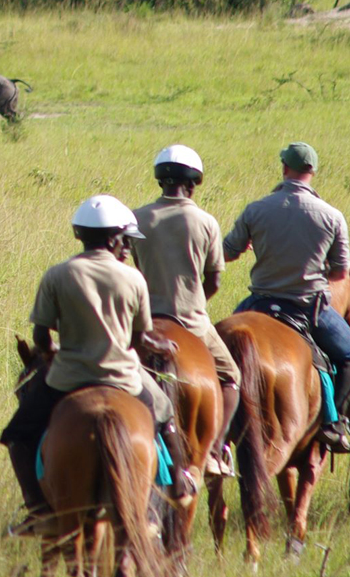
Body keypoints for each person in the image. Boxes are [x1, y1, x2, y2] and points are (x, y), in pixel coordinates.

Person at [0, 194, 196, 536]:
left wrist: (56, 351)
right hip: (125, 377)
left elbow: (42, 337)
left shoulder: (57, 274)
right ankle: (176, 484)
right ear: (115, 237)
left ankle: (37, 511)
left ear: (81, 235)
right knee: (164, 417)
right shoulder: (133, 279)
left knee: (17, 435)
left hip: (66, 377)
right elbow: (139, 340)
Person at [222, 142, 350, 454]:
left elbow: (228, 252)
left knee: (219, 347)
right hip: (308, 308)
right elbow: (342, 273)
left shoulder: (256, 209)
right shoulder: (332, 216)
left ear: (284, 168)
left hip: (258, 303)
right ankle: (333, 423)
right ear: (312, 172)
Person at [132, 145, 241, 477]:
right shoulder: (205, 221)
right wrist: (196, 301)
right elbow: (215, 280)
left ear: (159, 180)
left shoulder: (136, 219)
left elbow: (133, 271)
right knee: (231, 376)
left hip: (145, 322)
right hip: (192, 321)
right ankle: (216, 450)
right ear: (194, 182)